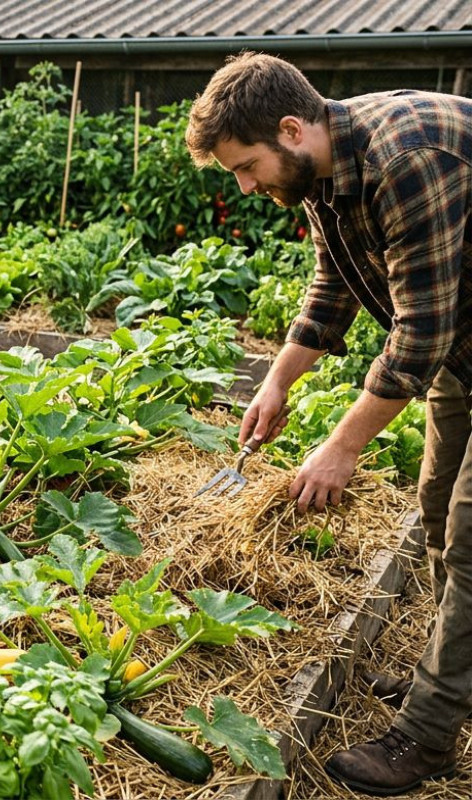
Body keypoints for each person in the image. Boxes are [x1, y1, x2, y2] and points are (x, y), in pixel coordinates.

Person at [187, 52, 472, 796]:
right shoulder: (323, 170)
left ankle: (427, 735)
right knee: (437, 509)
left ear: (290, 129)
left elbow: (419, 334)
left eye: (246, 167)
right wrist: (277, 381)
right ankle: (448, 673)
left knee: (471, 542)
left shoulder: (405, 160)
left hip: (447, 337)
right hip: (463, 352)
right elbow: (332, 287)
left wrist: (341, 447)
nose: (245, 187)